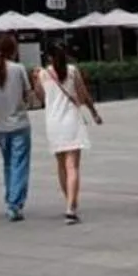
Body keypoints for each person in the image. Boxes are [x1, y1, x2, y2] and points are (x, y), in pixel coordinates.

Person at [39, 44, 100, 224]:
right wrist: (94, 112)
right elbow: (83, 94)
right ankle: (70, 208)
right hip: (72, 121)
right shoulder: (72, 71)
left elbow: (41, 98)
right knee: (72, 166)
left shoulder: (43, 74)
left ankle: (69, 201)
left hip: (53, 122)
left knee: (61, 166)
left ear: (49, 58)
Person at [0, 34, 35, 223]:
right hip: (19, 123)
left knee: (8, 164)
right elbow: (29, 95)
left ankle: (10, 199)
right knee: (20, 164)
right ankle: (14, 204)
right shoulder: (18, 69)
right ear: (14, 50)